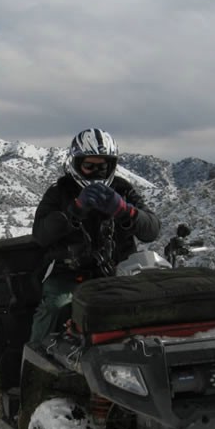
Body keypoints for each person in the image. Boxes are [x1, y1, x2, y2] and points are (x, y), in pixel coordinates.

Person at [29, 128, 161, 343]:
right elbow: (40, 235)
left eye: (102, 166)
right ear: (76, 163)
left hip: (121, 272)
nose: (96, 172)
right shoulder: (60, 192)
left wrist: (126, 211)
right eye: (89, 166)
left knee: (152, 309)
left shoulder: (123, 189)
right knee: (56, 307)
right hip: (70, 275)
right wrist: (73, 211)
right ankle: (34, 360)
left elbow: (152, 230)